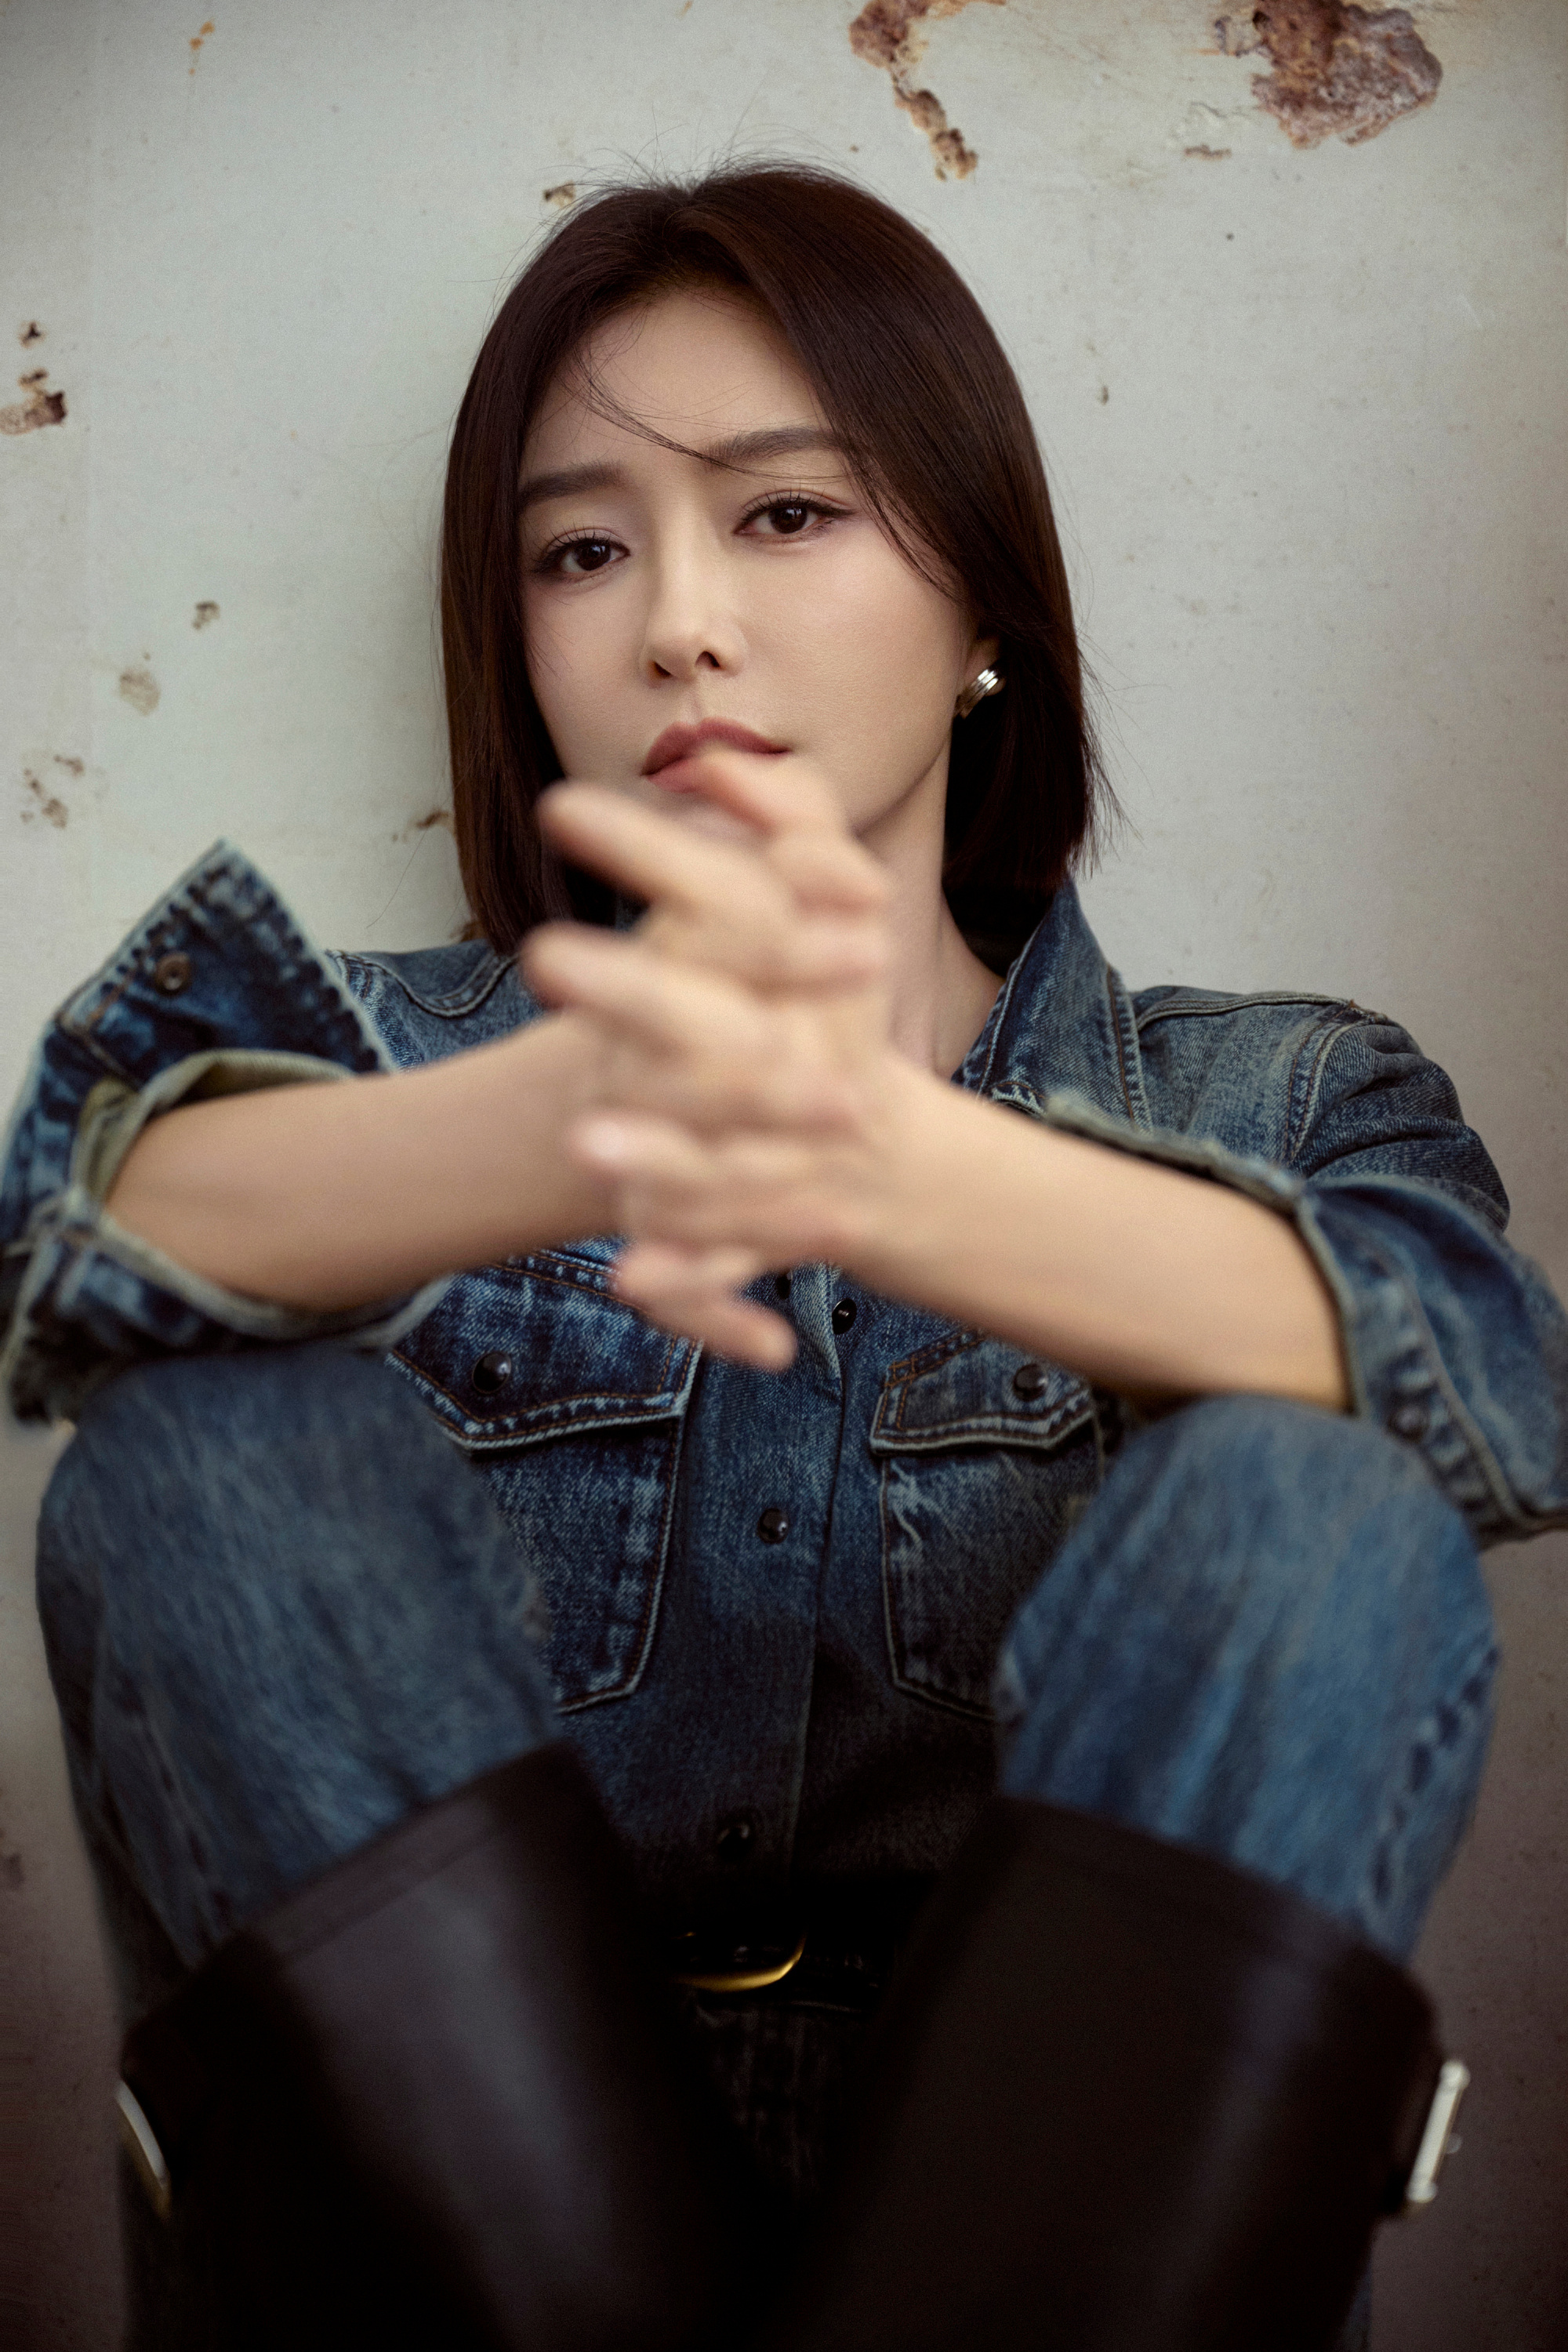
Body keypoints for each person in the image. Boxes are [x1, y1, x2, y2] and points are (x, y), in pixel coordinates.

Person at [5, 165, 1564, 2352]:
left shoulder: (1276, 1093)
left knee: (1319, 1508)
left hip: (1079, 2219)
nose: (677, 624)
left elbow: (1496, 1380)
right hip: (437, 2224)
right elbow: (75, 1234)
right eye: (581, 549)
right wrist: (568, 1118)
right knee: (199, 1465)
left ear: (985, 600)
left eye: (785, 514)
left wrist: (883, 1166)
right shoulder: (374, 1058)